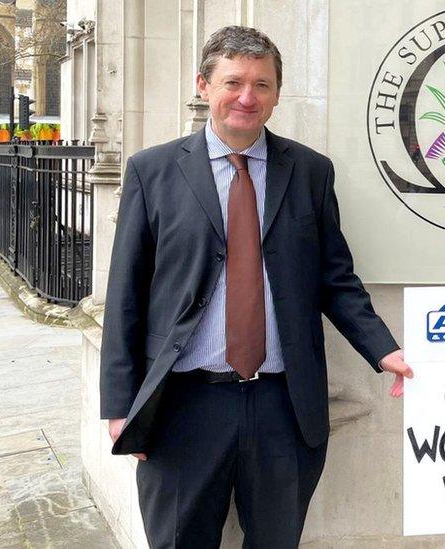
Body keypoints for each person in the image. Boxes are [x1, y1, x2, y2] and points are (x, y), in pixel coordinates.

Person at [99, 25, 412, 548]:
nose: (247, 97)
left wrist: (384, 350)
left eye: (262, 85)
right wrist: (118, 404)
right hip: (182, 406)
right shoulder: (151, 171)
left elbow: (334, 279)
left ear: (277, 94)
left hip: (281, 407)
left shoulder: (310, 172)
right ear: (203, 86)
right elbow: (125, 293)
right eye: (233, 82)